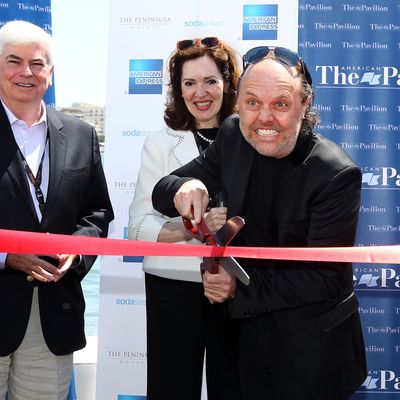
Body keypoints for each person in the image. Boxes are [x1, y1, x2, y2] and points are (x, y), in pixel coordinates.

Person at [152, 46, 367, 400]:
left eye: (280, 104)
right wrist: (185, 185)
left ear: (305, 104)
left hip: (309, 352)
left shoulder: (336, 174)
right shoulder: (234, 135)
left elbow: (324, 279)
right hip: (239, 344)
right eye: (252, 103)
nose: (264, 117)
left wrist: (237, 289)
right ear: (238, 104)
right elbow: (163, 192)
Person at [0, 20, 114, 400]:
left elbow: (97, 213)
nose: (26, 72)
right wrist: (6, 255)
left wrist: (76, 249)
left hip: (54, 314)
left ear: (51, 72)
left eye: (37, 63)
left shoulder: (80, 135)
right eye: (13, 61)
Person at [128, 37, 241, 399]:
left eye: (210, 81)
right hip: (172, 287)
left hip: (236, 288)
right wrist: (191, 228)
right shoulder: (160, 143)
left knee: (236, 387)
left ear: (228, 83)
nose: (200, 92)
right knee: (170, 389)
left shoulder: (251, 140)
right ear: (178, 89)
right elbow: (139, 226)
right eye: (189, 83)